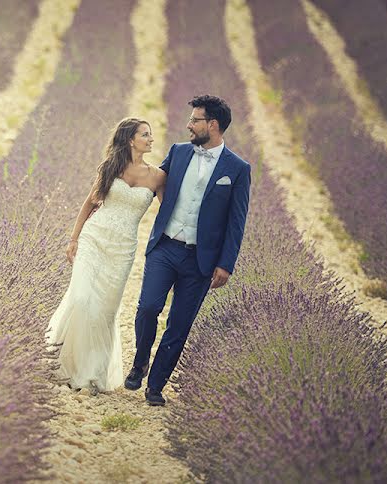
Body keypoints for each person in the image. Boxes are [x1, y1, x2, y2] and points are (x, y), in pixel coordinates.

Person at [126, 94, 251, 406]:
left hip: (201, 260)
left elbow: (237, 221)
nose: (188, 125)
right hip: (165, 247)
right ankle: (140, 361)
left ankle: (155, 386)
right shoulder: (179, 152)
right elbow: (154, 180)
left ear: (213, 125)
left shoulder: (237, 169)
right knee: (148, 308)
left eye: (195, 120)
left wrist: (226, 264)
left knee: (179, 325)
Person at [46, 117, 165, 393]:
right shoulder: (112, 167)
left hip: (122, 249)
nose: (151, 139)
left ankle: (92, 373)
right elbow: (90, 202)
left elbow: (170, 212)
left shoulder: (158, 176)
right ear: (130, 139)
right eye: (145, 134)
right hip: (94, 239)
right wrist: (74, 239)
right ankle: (64, 362)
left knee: (104, 311)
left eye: (151, 134)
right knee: (81, 298)